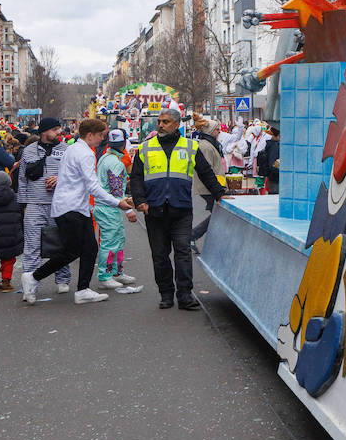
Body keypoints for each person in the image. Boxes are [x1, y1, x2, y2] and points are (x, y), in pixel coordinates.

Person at [21, 118, 132, 305]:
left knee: (88, 248)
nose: (101, 140)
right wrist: (117, 202)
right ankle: (34, 277)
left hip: (73, 207)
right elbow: (93, 186)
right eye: (100, 136)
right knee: (72, 251)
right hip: (72, 208)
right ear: (90, 135)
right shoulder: (85, 153)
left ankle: (83, 289)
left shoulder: (73, 149)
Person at [128, 109, 226, 311]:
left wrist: (219, 194)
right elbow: (136, 177)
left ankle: (184, 295)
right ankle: (166, 294)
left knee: (182, 252)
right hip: (154, 210)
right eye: (159, 122)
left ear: (176, 124)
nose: (161, 125)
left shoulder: (190, 146)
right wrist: (140, 200)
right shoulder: (145, 148)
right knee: (160, 255)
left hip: (180, 209)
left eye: (166, 122)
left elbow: (206, 172)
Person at [17, 117, 71, 295]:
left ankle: (62, 279)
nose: (59, 132)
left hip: (59, 204)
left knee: (61, 243)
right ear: (44, 131)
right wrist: (24, 203)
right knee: (32, 245)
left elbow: (74, 176)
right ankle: (30, 284)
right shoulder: (29, 151)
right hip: (34, 204)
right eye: (55, 129)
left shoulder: (66, 150)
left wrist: (60, 179)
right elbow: (22, 178)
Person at [94, 129, 141, 295]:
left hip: (106, 206)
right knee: (110, 242)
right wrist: (129, 211)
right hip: (109, 207)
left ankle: (116, 272)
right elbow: (116, 191)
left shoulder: (106, 158)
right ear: (124, 144)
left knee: (117, 240)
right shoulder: (116, 163)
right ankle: (105, 276)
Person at [189, 115, 228, 244]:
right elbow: (206, 170)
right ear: (210, 131)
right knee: (217, 215)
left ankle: (198, 238)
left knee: (217, 215)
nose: (219, 131)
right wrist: (217, 189)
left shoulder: (211, 144)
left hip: (213, 186)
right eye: (217, 129)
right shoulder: (205, 146)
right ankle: (193, 236)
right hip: (208, 187)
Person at [255, 123, 280, 193]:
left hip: (272, 179)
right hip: (275, 180)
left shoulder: (271, 144)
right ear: (278, 135)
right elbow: (272, 165)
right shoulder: (274, 146)